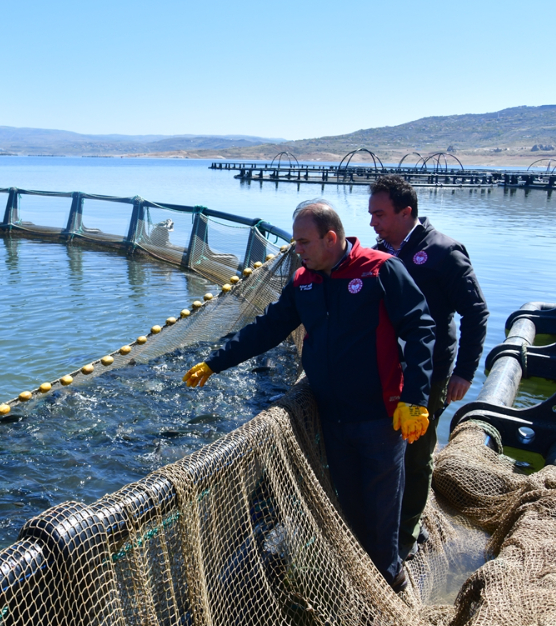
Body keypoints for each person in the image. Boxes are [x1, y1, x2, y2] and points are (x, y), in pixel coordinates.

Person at [182, 200, 435, 591]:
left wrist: (415, 397)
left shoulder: (380, 270)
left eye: (303, 241)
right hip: (332, 417)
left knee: (383, 506)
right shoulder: (304, 280)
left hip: (381, 418)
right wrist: (216, 362)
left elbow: (421, 331)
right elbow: (268, 328)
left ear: (330, 238)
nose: (296, 249)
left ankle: (389, 580)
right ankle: (356, 576)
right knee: (348, 502)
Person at [368, 175, 489, 560]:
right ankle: (380, 518)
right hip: (386, 371)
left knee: (417, 453)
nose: (373, 223)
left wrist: (464, 372)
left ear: (406, 212)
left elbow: (476, 313)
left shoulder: (444, 252)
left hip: (430, 373)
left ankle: (407, 533)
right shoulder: (380, 253)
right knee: (384, 447)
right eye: (371, 215)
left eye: (380, 214)